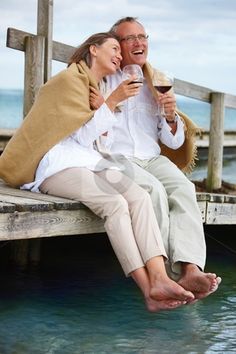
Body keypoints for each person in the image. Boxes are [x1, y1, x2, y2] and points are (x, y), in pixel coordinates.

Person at [0, 32, 198, 312]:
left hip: (91, 160)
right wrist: (111, 103)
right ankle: (148, 290)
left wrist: (104, 105)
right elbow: (77, 136)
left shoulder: (97, 87)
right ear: (93, 50)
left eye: (120, 50)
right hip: (59, 165)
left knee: (140, 197)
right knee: (115, 204)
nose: (119, 55)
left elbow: (97, 141)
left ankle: (160, 276)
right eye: (114, 48)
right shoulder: (69, 80)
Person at [90, 18, 221, 300]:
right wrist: (113, 100)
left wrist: (171, 117)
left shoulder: (156, 80)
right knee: (153, 191)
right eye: (129, 39)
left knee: (185, 189)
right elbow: (93, 133)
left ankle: (190, 267)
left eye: (142, 36)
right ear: (116, 47)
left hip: (152, 157)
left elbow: (172, 142)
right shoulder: (101, 79)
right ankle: (166, 276)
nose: (139, 43)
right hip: (114, 159)